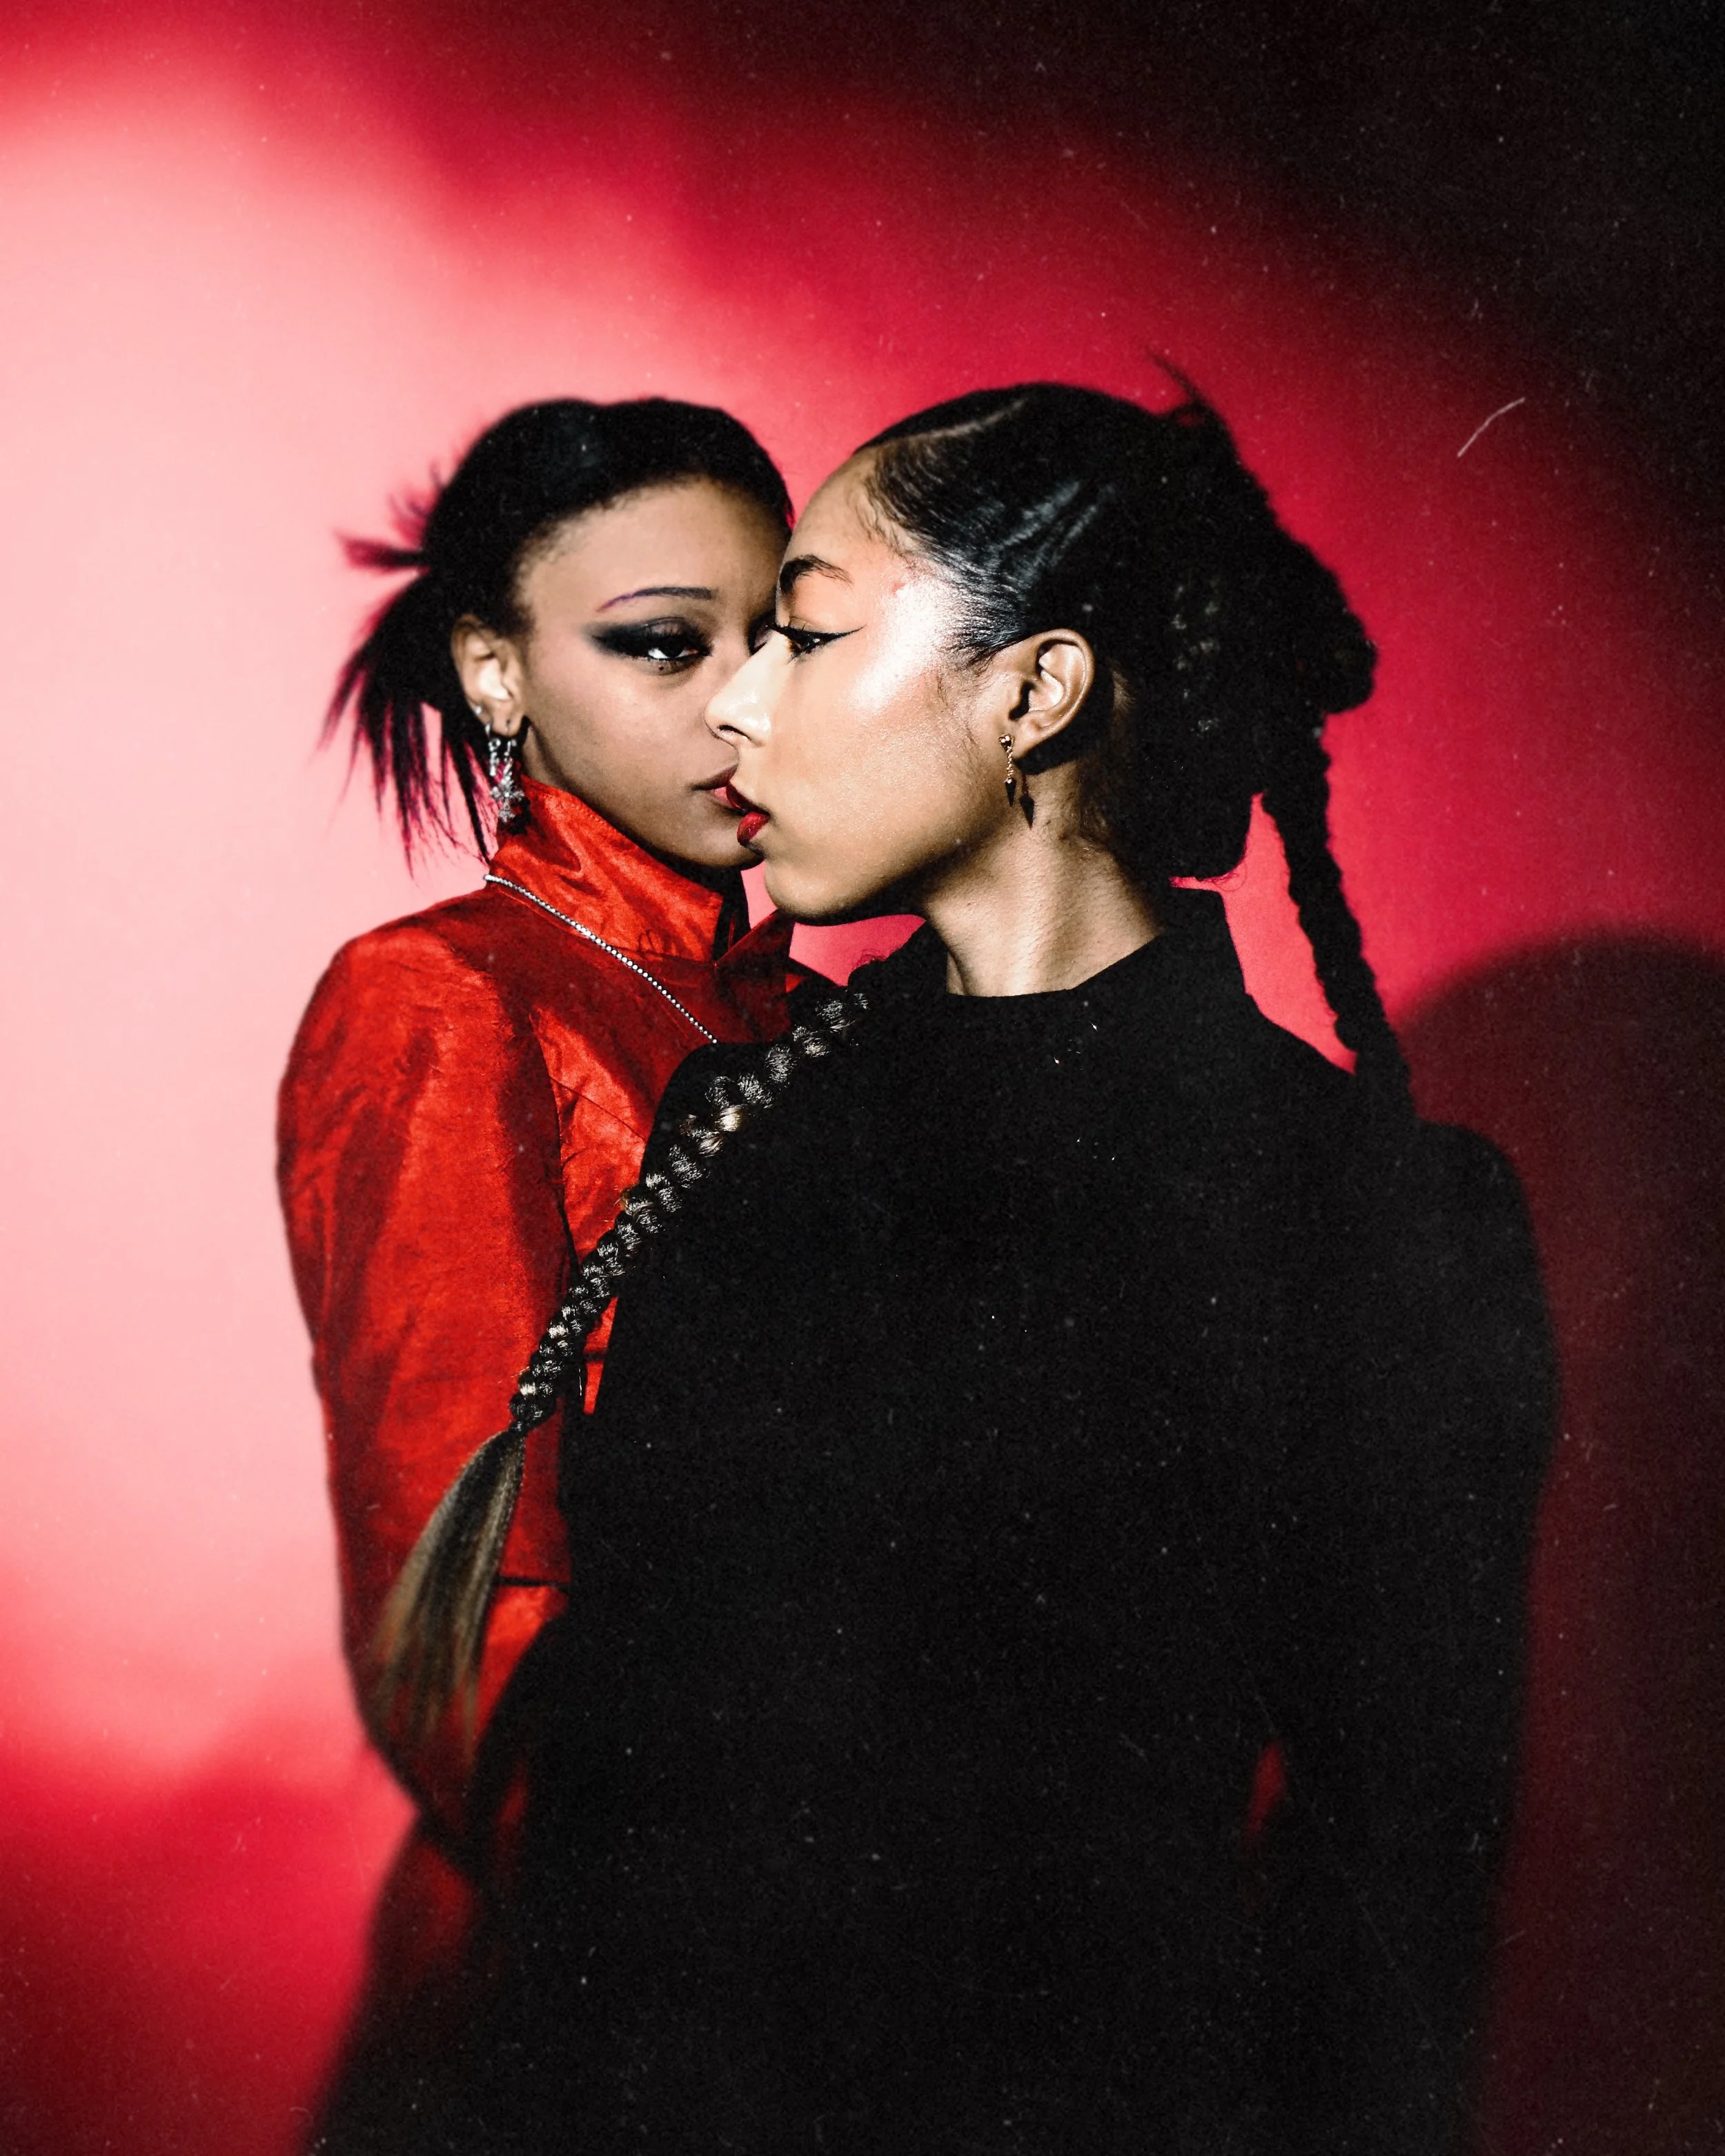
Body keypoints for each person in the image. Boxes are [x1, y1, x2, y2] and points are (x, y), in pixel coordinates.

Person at [391, 382, 1556, 2153]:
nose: (739, 701)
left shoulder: (1379, 1216)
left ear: (1031, 689)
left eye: (800, 630)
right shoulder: (738, 1123)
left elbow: (1385, 1916)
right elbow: (619, 1812)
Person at [276, 396, 805, 2148]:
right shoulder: (444, 998)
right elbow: (460, 1605)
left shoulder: (815, 1022)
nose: (744, 699)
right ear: (494, 676)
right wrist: (735, 1962)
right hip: (593, 2003)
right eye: (663, 645)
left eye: (781, 636)